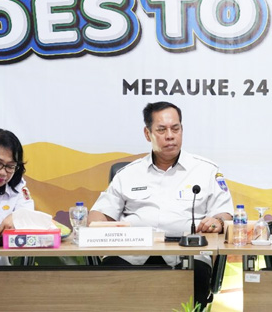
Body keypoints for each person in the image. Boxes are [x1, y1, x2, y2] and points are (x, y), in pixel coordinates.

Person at [88, 101, 234, 307]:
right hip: (131, 255)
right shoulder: (128, 174)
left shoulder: (207, 171)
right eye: (161, 130)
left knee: (196, 282)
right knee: (103, 283)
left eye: (175, 128)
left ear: (182, 130)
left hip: (188, 256)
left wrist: (217, 222)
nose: (170, 136)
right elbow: (99, 215)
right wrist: (98, 226)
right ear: (147, 134)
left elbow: (225, 214)